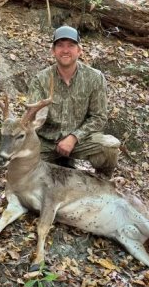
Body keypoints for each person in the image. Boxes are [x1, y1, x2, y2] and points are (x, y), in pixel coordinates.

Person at [28, 25, 120, 178]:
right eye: (60, 45)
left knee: (109, 148)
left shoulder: (94, 78)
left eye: (71, 45)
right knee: (22, 164)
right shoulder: (40, 80)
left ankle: (103, 183)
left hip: (79, 142)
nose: (65, 50)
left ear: (79, 50)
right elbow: (32, 119)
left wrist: (74, 137)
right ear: (53, 51)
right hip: (46, 141)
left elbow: (99, 117)